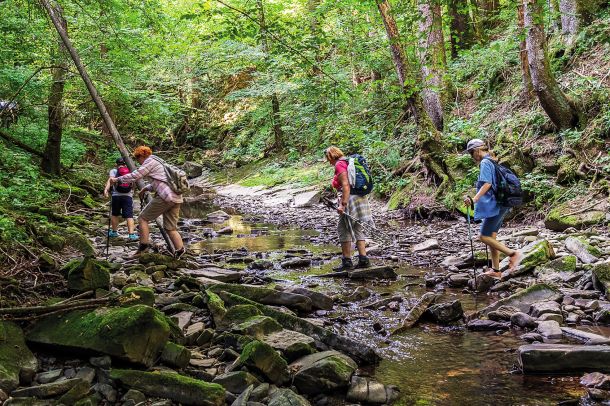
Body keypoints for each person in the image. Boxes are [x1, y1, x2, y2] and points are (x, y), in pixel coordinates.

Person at [110, 146, 185, 258]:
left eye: (137, 158)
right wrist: (145, 188)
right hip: (176, 197)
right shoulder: (158, 161)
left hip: (165, 197)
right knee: (170, 228)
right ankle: (180, 250)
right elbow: (160, 181)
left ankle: (143, 247)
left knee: (143, 218)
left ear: (142, 156)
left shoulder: (150, 161)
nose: (138, 161)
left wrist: (117, 180)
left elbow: (136, 175)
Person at [463, 139, 522, 277]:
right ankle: (496, 271)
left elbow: (487, 184)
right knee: (491, 238)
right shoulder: (492, 161)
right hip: (501, 204)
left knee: (483, 236)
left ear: (478, 150)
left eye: (471, 152)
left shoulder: (485, 162)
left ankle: (513, 254)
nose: (471, 156)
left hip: (495, 205)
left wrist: (474, 199)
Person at [325, 146, 372, 271]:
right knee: (357, 226)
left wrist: (342, 205)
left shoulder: (339, 164)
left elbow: (346, 185)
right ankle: (363, 259)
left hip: (350, 199)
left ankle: (347, 262)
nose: (328, 162)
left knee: (343, 228)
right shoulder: (347, 161)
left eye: (328, 158)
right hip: (359, 197)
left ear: (331, 156)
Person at [103, 157, 138, 241]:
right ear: (125, 163)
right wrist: (132, 190)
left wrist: (106, 190)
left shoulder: (114, 171)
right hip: (128, 196)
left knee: (115, 214)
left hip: (116, 195)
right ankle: (131, 234)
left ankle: (114, 232)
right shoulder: (130, 171)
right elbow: (134, 183)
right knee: (129, 215)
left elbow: (111, 180)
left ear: (116, 164)